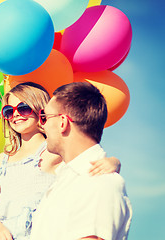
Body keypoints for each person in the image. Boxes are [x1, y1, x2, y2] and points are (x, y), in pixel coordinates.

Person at [0, 82, 121, 240]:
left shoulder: (52, 151)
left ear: (40, 110)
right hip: (2, 234)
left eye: (23, 108)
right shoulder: (3, 158)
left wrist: (114, 162)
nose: (16, 114)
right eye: (8, 111)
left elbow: (83, 163)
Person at [30, 82, 132, 240]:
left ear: (62, 122)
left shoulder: (98, 183)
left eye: (45, 117)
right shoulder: (67, 180)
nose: (41, 124)